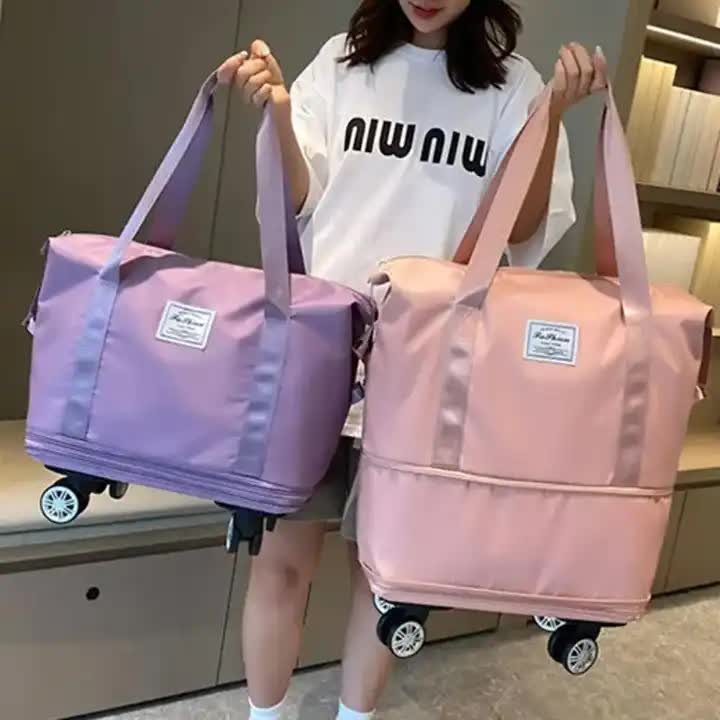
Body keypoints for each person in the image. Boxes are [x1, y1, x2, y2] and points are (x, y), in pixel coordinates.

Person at [218, 1, 607, 718]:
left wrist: (549, 116)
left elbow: (521, 227)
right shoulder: (341, 64)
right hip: (321, 350)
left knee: (385, 578)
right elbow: (299, 201)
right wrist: (277, 111)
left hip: (429, 366)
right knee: (280, 564)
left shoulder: (514, 88)